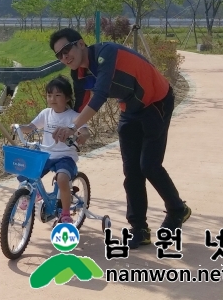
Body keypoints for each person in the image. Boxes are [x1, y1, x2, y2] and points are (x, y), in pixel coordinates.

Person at [49, 28, 191, 249]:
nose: (65, 57)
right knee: (131, 170)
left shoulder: (107, 53)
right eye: (59, 55)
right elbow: (78, 110)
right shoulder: (79, 75)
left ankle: (177, 209)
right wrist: (73, 130)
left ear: (81, 44)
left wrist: (72, 127)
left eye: (67, 49)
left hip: (156, 101)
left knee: (149, 165)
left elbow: (101, 94)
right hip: (130, 109)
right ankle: (139, 229)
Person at [14, 75, 90, 224]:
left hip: (66, 157)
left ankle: (66, 214)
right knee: (27, 172)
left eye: (57, 95)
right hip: (47, 155)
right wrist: (18, 127)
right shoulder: (46, 113)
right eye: (49, 95)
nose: (52, 99)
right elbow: (31, 127)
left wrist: (83, 136)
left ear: (67, 98)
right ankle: (34, 194)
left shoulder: (74, 117)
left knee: (62, 179)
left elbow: (85, 131)